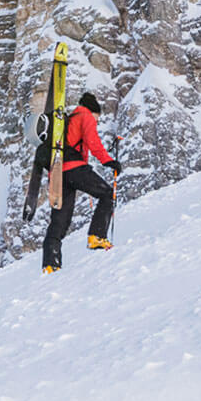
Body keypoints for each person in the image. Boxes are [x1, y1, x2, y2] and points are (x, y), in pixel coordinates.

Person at [42, 91, 121, 272]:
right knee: (107, 194)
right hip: (75, 168)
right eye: (98, 118)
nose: (97, 121)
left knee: (59, 221)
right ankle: (97, 236)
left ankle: (50, 264)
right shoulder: (85, 115)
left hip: (58, 173)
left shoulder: (70, 119)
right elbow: (93, 142)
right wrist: (109, 161)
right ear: (94, 111)